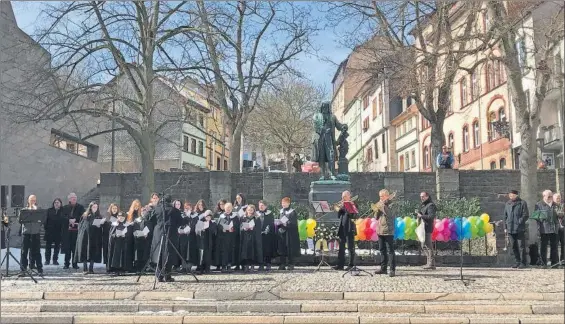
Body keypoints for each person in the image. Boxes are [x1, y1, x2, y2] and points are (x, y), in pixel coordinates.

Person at [148, 194, 182, 282]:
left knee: (159, 253)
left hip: (158, 232)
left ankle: (159, 275)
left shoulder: (157, 209)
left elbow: (150, 219)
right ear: (170, 201)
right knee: (168, 253)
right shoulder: (174, 210)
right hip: (170, 233)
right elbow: (180, 222)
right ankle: (167, 276)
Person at [74, 201, 103, 274]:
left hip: (95, 237)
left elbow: (100, 227)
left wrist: (100, 225)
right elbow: (81, 226)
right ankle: (85, 268)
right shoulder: (85, 215)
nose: (95, 208)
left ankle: (91, 268)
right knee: (85, 251)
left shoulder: (99, 216)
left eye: (96, 207)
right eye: (93, 207)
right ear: (90, 207)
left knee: (93, 252)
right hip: (86, 236)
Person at [503, 190, 529, 268]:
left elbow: (526, 215)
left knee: (521, 246)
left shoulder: (522, 203)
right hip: (510, 228)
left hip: (519, 228)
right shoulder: (507, 203)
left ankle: (523, 263)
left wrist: (519, 221)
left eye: (512, 195)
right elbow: (505, 216)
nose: (510, 197)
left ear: (516, 195)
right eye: (510, 195)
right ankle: (517, 261)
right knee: (513, 246)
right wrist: (505, 227)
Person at [333, 191, 358, 271]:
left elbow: (353, 215)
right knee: (341, 247)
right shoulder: (343, 205)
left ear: (349, 196)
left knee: (350, 247)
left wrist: (346, 206)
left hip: (349, 228)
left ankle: (351, 265)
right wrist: (339, 208)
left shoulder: (353, 204)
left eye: (344, 196)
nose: (342, 198)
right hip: (342, 228)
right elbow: (339, 216)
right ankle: (340, 265)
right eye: (342, 196)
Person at [534, 190, 559, 267]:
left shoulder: (556, 205)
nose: (550, 198)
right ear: (544, 196)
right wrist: (543, 217)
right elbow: (536, 217)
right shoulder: (539, 205)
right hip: (544, 229)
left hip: (554, 228)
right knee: (543, 247)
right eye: (549, 196)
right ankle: (543, 263)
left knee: (554, 246)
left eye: (551, 196)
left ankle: (554, 263)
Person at [374, 189, 396, 277]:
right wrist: (377, 210)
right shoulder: (380, 204)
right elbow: (376, 217)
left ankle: (392, 269)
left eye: (382, 196)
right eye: (380, 196)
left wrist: (382, 204)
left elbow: (389, 214)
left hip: (388, 231)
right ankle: (383, 269)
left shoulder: (392, 204)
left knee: (390, 251)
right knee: (382, 250)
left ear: (387, 195)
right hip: (380, 230)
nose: (381, 198)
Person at [19, 195, 43, 275]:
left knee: (37, 252)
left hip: (35, 233)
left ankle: (40, 269)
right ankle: (23, 269)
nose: (33, 201)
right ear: (28, 201)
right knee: (24, 252)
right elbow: (20, 220)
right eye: (31, 200)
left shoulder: (39, 210)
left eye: (34, 200)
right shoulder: (24, 210)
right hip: (26, 233)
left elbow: (42, 220)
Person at [62, 193, 85, 270]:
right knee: (67, 248)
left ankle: (75, 263)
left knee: (75, 248)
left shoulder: (80, 207)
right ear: (69, 199)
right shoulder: (64, 208)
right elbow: (62, 216)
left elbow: (83, 216)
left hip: (76, 231)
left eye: (75, 197)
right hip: (67, 231)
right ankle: (66, 263)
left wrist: (76, 219)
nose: (74, 199)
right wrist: (69, 219)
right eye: (72, 198)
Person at [277, 197, 300, 270]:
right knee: (282, 248)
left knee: (290, 248)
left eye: (284, 203)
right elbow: (278, 219)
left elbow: (294, 223)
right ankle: (282, 264)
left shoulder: (292, 212)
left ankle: (291, 264)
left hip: (290, 233)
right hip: (282, 232)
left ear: (288, 203)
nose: (283, 204)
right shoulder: (281, 211)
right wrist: (278, 223)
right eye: (282, 203)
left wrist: (286, 223)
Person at [240, 204, 263, 272]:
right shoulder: (243, 218)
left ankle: (252, 265)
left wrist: (253, 228)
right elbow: (240, 227)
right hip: (246, 237)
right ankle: (246, 265)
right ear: (247, 210)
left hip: (253, 237)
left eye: (251, 210)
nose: (250, 211)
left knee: (253, 251)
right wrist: (244, 228)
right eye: (249, 210)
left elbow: (259, 228)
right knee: (246, 252)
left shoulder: (257, 218)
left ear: (254, 210)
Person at [417, 192, 437, 270]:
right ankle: (429, 263)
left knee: (428, 246)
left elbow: (431, 217)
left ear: (427, 196)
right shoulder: (424, 205)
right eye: (421, 197)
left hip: (427, 228)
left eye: (423, 196)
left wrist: (421, 215)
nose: (421, 198)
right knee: (423, 246)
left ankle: (431, 264)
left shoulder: (431, 205)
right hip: (423, 227)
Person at [215, 202, 236, 272]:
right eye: (227, 208)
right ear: (224, 208)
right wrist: (222, 229)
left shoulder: (234, 217)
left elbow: (237, 226)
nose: (228, 209)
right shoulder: (221, 216)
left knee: (230, 251)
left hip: (231, 237)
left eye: (229, 208)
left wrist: (232, 229)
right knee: (223, 252)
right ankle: (223, 266)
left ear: (232, 208)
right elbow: (218, 226)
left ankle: (229, 265)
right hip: (223, 237)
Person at [257, 200, 276, 271]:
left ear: (265, 206)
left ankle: (268, 263)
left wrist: (268, 228)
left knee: (267, 249)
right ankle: (260, 264)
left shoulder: (270, 213)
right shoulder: (256, 214)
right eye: (260, 205)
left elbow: (272, 223)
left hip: (267, 235)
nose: (261, 207)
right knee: (260, 250)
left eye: (262, 205)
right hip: (259, 235)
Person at [44, 198, 64, 266]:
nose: (56, 203)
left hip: (58, 232)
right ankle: (47, 260)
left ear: (60, 204)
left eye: (58, 202)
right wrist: (46, 228)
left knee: (57, 247)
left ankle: (55, 260)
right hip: (49, 231)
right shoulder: (49, 210)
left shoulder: (63, 211)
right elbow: (46, 220)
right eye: (55, 202)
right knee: (48, 247)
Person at [177, 201, 192, 272]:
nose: (187, 209)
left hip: (191, 236)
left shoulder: (193, 215)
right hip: (183, 236)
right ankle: (183, 266)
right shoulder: (182, 215)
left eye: (188, 208)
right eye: (186, 208)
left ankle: (188, 266)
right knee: (183, 251)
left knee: (189, 252)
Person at [554, 193, 564, 264]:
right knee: (555, 244)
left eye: (559, 198)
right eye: (557, 198)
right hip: (555, 228)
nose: (559, 199)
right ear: (554, 199)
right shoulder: (552, 206)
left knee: (563, 244)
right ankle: (556, 261)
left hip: (563, 226)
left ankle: (563, 260)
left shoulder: (563, 205)